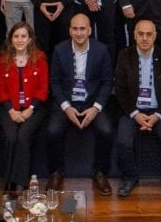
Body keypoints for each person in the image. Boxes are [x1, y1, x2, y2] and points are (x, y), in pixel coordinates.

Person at [45, 13, 115, 195]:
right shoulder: (60, 50)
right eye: (75, 29)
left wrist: (96, 108)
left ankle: (100, 172)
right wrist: (66, 107)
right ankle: (56, 172)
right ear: (69, 31)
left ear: (90, 30)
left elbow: (107, 82)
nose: (79, 33)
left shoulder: (101, 50)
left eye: (82, 29)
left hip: (92, 102)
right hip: (67, 101)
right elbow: (54, 82)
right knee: (52, 131)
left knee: (107, 130)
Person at [114, 19, 161, 199]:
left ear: (155, 36)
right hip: (132, 110)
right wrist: (135, 114)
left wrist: (157, 115)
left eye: (149, 34)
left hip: (158, 110)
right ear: (134, 35)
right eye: (141, 34)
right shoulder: (124, 55)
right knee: (123, 142)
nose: (145, 38)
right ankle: (130, 177)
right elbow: (120, 90)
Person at [0, 21, 50, 192]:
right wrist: (11, 110)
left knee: (23, 136)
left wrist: (30, 109)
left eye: (23, 36)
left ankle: (19, 182)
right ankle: (8, 180)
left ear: (30, 39)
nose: (20, 40)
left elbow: (43, 88)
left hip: (34, 108)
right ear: (11, 39)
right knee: (10, 136)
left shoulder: (40, 58)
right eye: (16, 36)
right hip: (9, 108)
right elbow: (1, 89)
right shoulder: (3, 59)